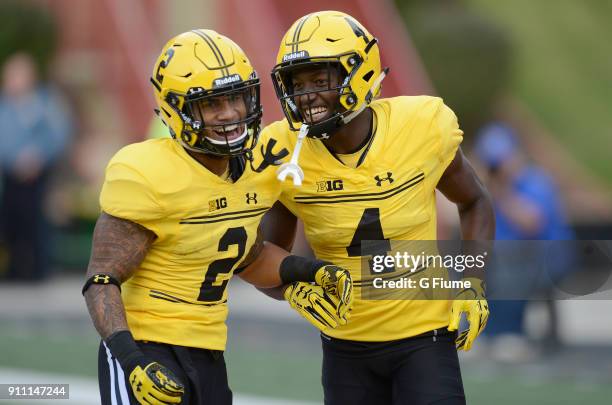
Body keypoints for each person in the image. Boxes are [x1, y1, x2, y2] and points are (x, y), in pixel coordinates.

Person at [83, 30, 354, 405]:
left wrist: (307, 271)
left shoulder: (257, 167)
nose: (229, 114)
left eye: (235, 98)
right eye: (211, 104)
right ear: (177, 111)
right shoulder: (147, 171)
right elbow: (101, 279)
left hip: (208, 349)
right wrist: (131, 361)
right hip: (145, 345)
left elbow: (248, 256)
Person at [257, 11, 495, 404]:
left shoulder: (421, 125)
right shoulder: (284, 152)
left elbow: (474, 201)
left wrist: (472, 281)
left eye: (320, 80)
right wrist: (294, 287)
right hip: (344, 347)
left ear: (360, 73)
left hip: (425, 338)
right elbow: (265, 259)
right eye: (297, 84)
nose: (307, 96)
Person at [474, 123, 574, 361]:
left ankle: (509, 332)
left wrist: (501, 191)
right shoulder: (479, 185)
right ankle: (478, 331)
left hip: (544, 258)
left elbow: (531, 223)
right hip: (503, 256)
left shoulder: (536, 181)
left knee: (510, 269)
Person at [0, 52, 73, 281]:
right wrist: (14, 159)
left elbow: (59, 133)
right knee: (11, 222)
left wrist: (38, 156)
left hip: (39, 175)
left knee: (37, 221)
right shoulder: (5, 107)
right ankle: (13, 268)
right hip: (10, 175)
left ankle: (39, 269)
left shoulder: (45, 104)